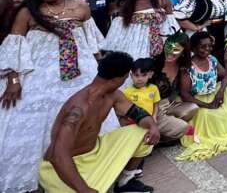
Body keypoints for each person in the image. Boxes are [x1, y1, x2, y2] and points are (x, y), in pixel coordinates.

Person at [0, 0, 118, 193]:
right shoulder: (28, 12)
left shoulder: (81, 7)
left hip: (79, 76)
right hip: (39, 79)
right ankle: (40, 177)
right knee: (33, 124)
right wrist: (14, 82)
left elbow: (92, 44)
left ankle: (86, 170)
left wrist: (100, 73)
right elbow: (14, 49)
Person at [37, 52, 159, 193]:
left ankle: (125, 181)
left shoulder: (114, 94)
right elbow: (58, 156)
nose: (125, 81)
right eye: (125, 78)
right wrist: (84, 190)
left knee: (144, 131)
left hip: (96, 152)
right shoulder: (77, 108)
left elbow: (138, 114)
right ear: (117, 79)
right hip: (63, 165)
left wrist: (152, 125)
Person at [177, 31, 227, 161]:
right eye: (203, 47)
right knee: (209, 116)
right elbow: (185, 94)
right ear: (194, 48)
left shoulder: (212, 60)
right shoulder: (188, 67)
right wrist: (207, 105)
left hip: (213, 94)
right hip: (198, 101)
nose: (207, 49)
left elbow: (226, 75)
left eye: (209, 46)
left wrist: (220, 93)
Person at [102, 0, 179, 62]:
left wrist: (174, 53)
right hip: (132, 48)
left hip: (157, 48)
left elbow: (173, 29)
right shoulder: (128, 3)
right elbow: (118, 32)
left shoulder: (163, 0)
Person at [151, 33, 199, 143]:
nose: (170, 52)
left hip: (169, 104)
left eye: (176, 49)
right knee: (183, 127)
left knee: (193, 108)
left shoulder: (182, 67)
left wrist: (184, 72)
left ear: (183, 52)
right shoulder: (154, 64)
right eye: (168, 47)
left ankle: (161, 137)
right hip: (153, 106)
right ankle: (156, 136)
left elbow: (185, 92)